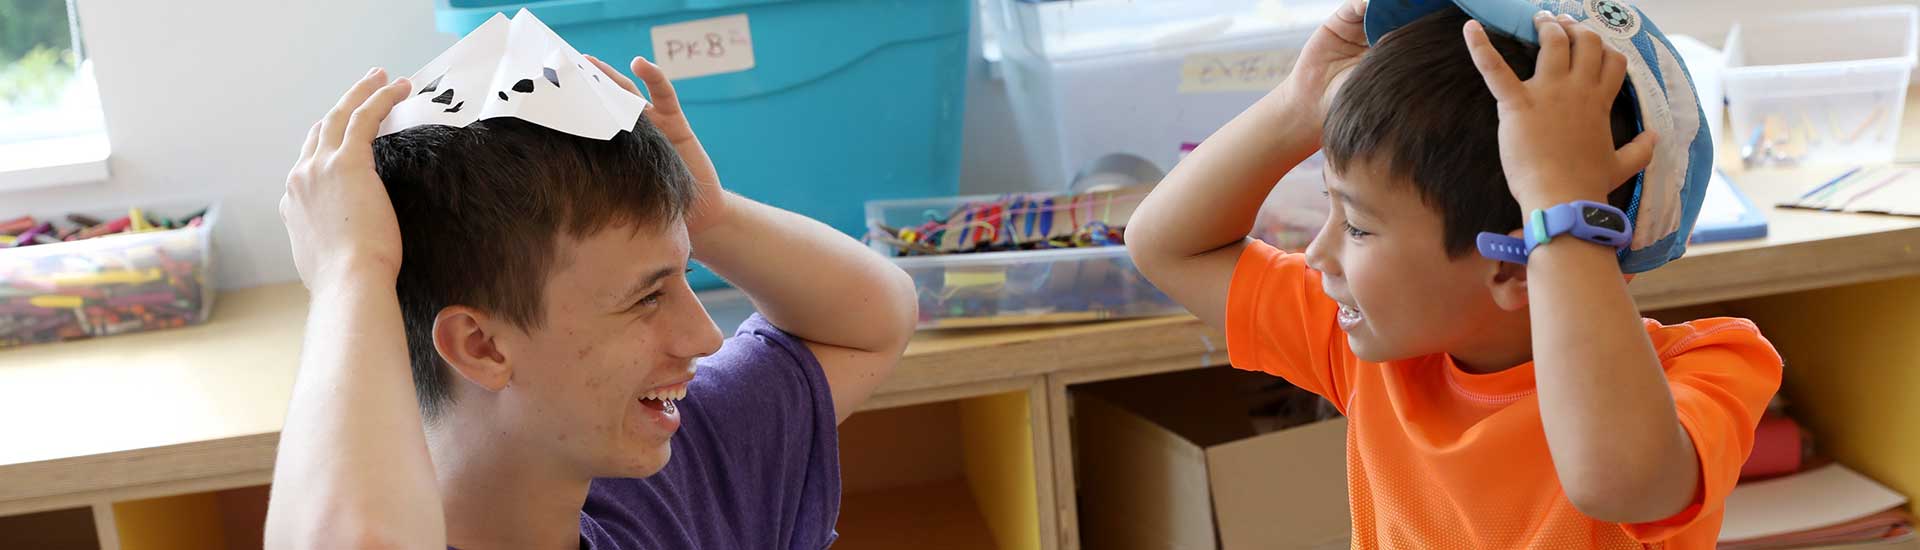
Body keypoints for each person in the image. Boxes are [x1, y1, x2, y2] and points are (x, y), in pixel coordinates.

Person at [1126, 1, 1782, 547]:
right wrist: (1300, 106)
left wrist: (1557, 206)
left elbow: (1617, 481)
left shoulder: (1708, 369)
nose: (1319, 255)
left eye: (1356, 226)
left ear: (1516, 264)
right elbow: (1165, 246)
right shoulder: (1377, 351)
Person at [265, 54, 917, 550]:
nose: (705, 336)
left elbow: (872, 322)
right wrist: (351, 270)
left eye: (682, 275)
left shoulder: (673, 475)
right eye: (647, 297)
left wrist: (708, 217)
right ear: (481, 345)